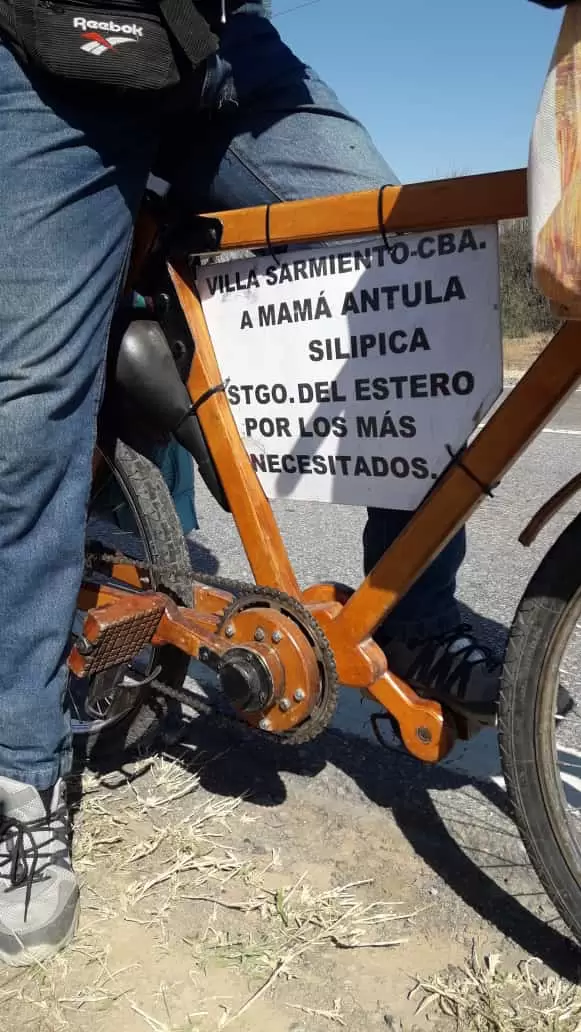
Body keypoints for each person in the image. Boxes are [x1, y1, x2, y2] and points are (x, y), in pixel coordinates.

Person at [0, 0, 502, 965]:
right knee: (27, 405)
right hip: (50, 45)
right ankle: (20, 774)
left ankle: (417, 616)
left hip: (219, 45)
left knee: (415, 259)